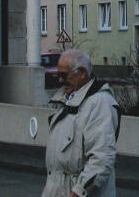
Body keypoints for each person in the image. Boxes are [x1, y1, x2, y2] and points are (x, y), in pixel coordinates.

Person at [43, 49, 120, 197]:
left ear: (82, 73)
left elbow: (101, 158)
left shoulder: (99, 103)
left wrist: (79, 191)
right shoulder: (67, 101)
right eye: (58, 75)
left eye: (63, 75)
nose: (59, 80)